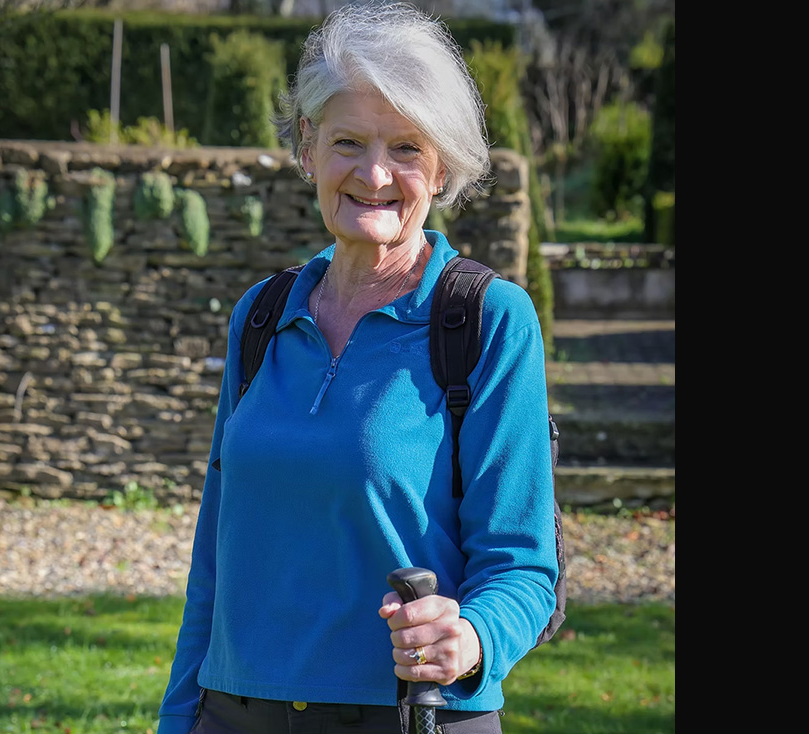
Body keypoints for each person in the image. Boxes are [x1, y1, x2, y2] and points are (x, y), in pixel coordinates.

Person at [157, 3, 558, 733]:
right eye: (348, 141)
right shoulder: (260, 314)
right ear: (308, 148)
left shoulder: (487, 320)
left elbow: (522, 568)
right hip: (233, 713)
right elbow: (214, 558)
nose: (374, 174)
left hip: (410, 718)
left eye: (406, 147)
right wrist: (179, 717)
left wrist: (467, 639)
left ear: (442, 168)